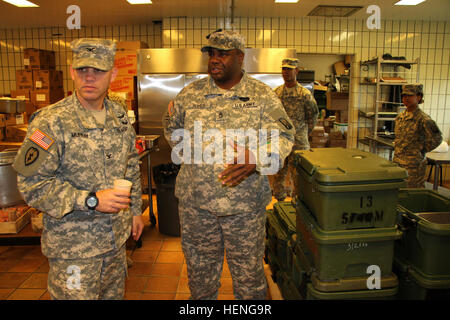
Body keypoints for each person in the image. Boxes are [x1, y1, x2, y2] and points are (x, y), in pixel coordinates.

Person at [163, 29, 295, 300]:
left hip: (244, 209)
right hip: (197, 208)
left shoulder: (262, 96)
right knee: (200, 281)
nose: (215, 59)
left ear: (240, 57)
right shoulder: (190, 95)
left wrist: (257, 158)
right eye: (211, 53)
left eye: (223, 53)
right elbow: (171, 128)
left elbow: (283, 134)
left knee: (249, 281)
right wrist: (193, 156)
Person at [13, 38, 144, 300]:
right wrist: (91, 200)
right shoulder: (50, 121)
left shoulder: (118, 116)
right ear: (72, 72)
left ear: (113, 75)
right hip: (74, 249)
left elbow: (130, 164)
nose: (89, 78)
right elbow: (31, 184)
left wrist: (135, 211)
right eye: (83, 70)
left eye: (98, 71)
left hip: (115, 243)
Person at [269, 58, 319, 201]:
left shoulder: (304, 94)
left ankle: (298, 204)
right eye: (284, 69)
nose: (286, 72)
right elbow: (273, 114)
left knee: (299, 174)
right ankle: (279, 201)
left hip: (299, 142)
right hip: (281, 139)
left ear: (296, 71)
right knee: (279, 172)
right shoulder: (277, 93)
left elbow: (313, 116)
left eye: (289, 69)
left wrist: (304, 133)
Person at [393, 83, 442, 188]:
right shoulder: (400, 117)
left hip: (414, 166)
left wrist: (421, 150)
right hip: (398, 163)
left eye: (410, 95)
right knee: (399, 193)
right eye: (404, 96)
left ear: (419, 97)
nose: (406, 98)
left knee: (412, 195)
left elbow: (437, 138)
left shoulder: (423, 119)